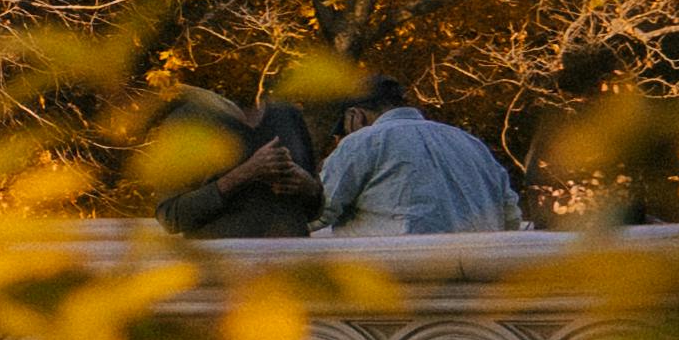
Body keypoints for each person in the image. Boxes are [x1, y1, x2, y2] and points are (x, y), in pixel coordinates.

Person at [310, 78, 524, 238]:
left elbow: (321, 208)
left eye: (342, 131)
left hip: (397, 275)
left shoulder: (363, 141)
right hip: (479, 277)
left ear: (356, 116)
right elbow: (511, 216)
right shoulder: (471, 143)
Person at [153, 83, 328, 241]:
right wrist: (243, 175)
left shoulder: (288, 115)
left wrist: (308, 186)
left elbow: (315, 210)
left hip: (291, 265)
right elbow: (171, 218)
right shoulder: (188, 121)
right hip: (225, 268)